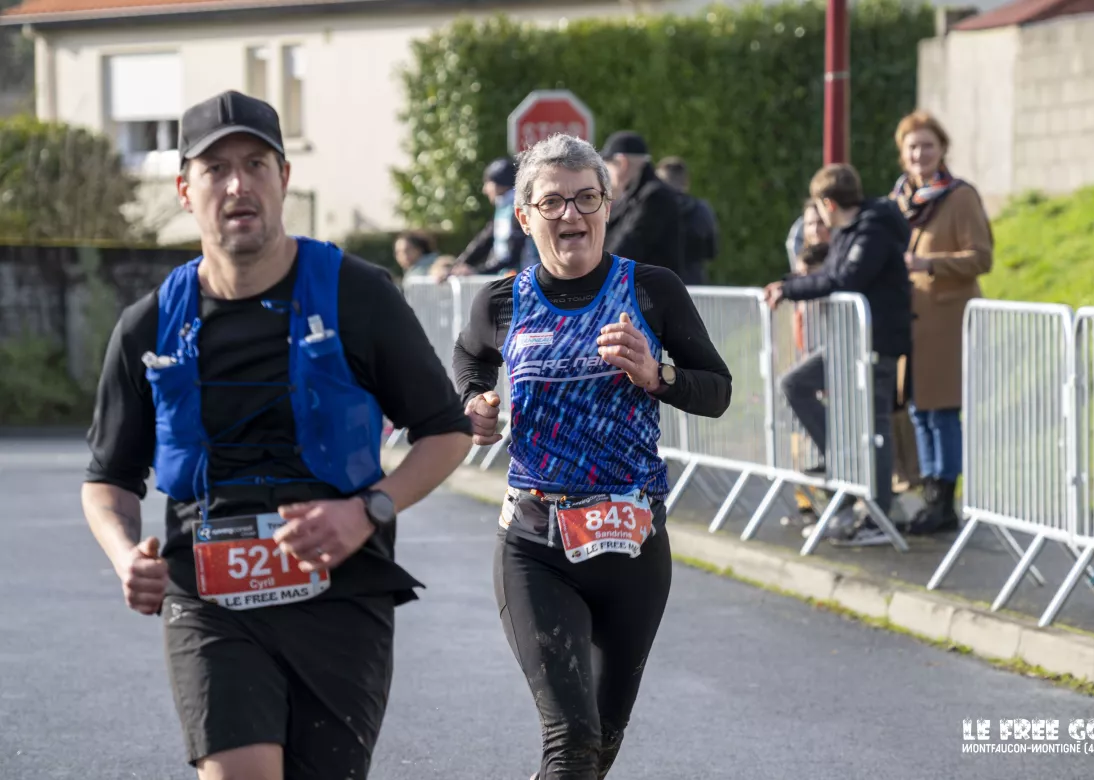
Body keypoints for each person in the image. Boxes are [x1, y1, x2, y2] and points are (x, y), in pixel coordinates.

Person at [79, 90, 473, 779]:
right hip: (208, 596)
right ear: (185, 190)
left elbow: (447, 432)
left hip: (340, 591)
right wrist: (123, 556)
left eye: (256, 164)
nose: (238, 184)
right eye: (216, 169)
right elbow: (108, 478)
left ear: (283, 178)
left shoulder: (358, 295)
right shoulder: (148, 325)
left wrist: (368, 510)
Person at [452, 133, 732, 779]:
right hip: (535, 543)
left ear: (608, 205)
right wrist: (474, 400)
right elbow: (469, 356)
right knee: (570, 739)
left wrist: (657, 376)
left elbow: (717, 390)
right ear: (525, 216)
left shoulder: (652, 290)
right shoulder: (503, 299)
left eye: (586, 199)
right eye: (552, 202)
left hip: (632, 543)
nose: (571, 215)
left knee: (599, 743)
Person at [764, 163, 912, 545]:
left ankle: (878, 517)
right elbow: (831, 274)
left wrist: (789, 289)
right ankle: (845, 467)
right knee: (796, 384)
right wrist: (789, 284)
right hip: (851, 342)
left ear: (828, 203)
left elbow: (845, 278)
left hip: (875, 343)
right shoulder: (851, 231)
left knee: (875, 426)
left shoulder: (872, 229)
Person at [890, 110, 993, 534]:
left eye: (928, 145)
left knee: (943, 413)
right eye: (913, 147)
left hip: (947, 322)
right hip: (910, 322)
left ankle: (944, 500)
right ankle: (930, 490)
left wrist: (928, 263)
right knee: (918, 410)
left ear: (942, 149)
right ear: (903, 154)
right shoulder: (899, 200)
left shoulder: (960, 196)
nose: (920, 154)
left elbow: (981, 257)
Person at [600, 130, 683, 277]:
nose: (606, 174)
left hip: (648, 288)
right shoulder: (636, 195)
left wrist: (596, 272)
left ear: (623, 163)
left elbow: (627, 247)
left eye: (607, 166)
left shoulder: (654, 197)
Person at [451, 156, 537, 276]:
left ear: (501, 184)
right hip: (511, 277)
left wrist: (478, 271)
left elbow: (512, 255)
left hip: (525, 280)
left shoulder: (518, 209)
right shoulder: (503, 208)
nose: (484, 190)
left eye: (488, 183)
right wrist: (457, 266)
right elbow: (484, 241)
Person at [655, 155, 719, 285]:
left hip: (658, 284)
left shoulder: (650, 211)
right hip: (694, 285)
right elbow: (712, 251)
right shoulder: (701, 210)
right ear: (686, 182)